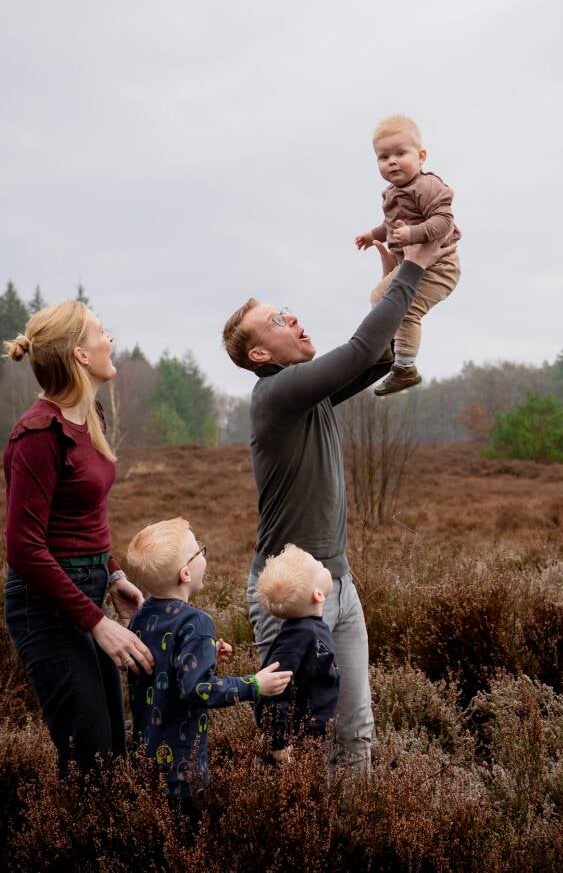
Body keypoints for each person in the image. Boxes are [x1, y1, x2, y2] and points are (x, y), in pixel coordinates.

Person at [222, 233, 453, 768]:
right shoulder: (277, 394)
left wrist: (394, 273)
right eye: (277, 320)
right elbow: (360, 351)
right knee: (294, 746)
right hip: (287, 595)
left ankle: (353, 824)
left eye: (286, 310)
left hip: (337, 585)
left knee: (356, 735)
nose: (293, 318)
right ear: (259, 354)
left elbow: (380, 356)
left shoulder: (309, 392)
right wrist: (415, 268)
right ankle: (286, 821)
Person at [3, 300, 153, 776]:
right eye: (101, 332)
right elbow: (24, 549)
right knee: (92, 760)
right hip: (45, 608)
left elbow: (85, 515)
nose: (110, 339)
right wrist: (97, 622)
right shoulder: (37, 433)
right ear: (80, 355)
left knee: (113, 749)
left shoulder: (91, 419)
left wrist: (114, 575)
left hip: (86, 592)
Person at [125, 518, 292, 805]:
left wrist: (203, 656)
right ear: (185, 573)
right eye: (199, 550)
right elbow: (200, 690)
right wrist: (254, 684)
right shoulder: (197, 622)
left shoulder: (141, 617)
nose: (204, 554)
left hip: (144, 766)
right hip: (183, 773)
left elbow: (162, 667)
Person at [355, 114, 462, 395]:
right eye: (383, 157)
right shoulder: (393, 192)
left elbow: (444, 221)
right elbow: (391, 226)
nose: (391, 161)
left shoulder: (427, 186)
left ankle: (405, 368)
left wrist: (413, 234)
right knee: (379, 298)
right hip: (411, 265)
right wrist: (373, 234)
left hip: (440, 266)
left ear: (421, 156)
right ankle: (386, 349)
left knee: (407, 310)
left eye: (400, 153)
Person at [253, 544, 340, 762]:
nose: (322, 563)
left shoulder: (310, 629)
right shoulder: (297, 638)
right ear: (318, 594)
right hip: (298, 742)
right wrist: (279, 743)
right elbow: (274, 688)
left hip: (316, 734)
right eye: (318, 565)